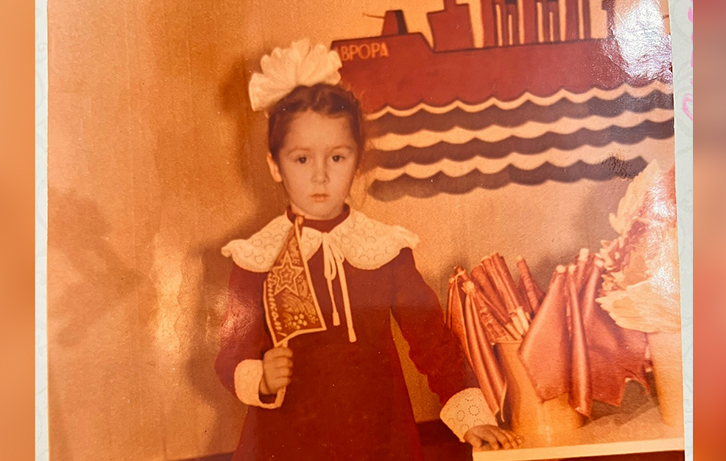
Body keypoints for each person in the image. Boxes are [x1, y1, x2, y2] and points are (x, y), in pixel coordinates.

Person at [215, 40, 521, 460]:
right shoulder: (257, 257)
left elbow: (432, 340)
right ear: (275, 165)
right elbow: (231, 354)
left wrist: (471, 417)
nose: (320, 176)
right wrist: (261, 378)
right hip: (286, 442)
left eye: (336, 158)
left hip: (379, 437)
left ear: (357, 163)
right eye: (302, 159)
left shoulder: (385, 249)